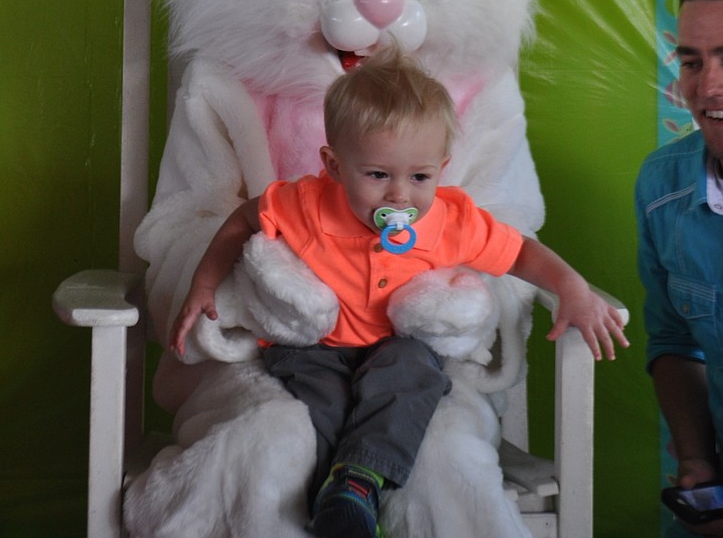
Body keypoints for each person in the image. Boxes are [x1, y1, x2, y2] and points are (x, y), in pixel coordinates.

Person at [172, 48, 628, 538]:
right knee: (316, 405)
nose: (399, 195)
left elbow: (519, 253)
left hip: (397, 346)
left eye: (419, 177)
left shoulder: (450, 221)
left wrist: (570, 286)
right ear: (334, 165)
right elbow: (242, 220)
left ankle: (356, 482)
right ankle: (331, 492)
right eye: (377, 175)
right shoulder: (304, 204)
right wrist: (203, 284)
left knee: (413, 375)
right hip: (316, 347)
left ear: (441, 168)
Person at [637, 0, 723, 536]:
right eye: (692, 62)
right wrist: (697, 464)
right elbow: (672, 337)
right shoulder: (662, 186)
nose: (707, 87)